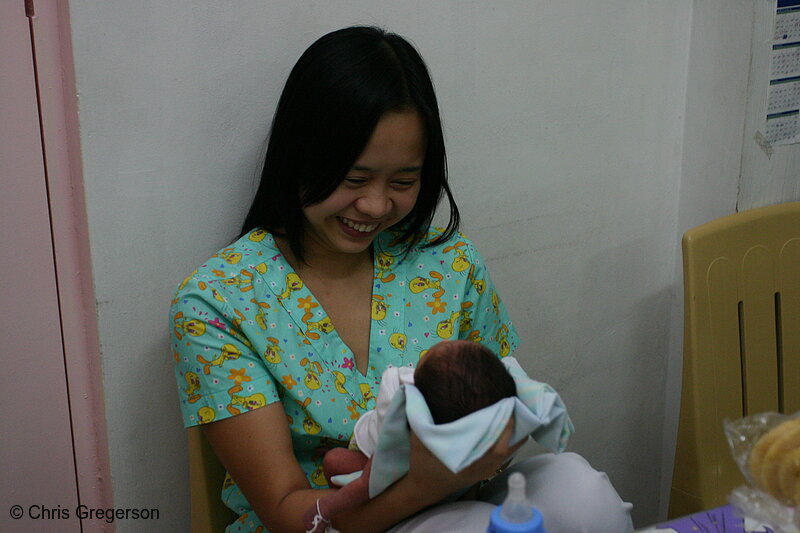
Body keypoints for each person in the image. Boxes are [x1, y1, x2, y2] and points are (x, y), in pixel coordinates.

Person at [171, 25, 634, 533]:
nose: (374, 206)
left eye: (403, 182)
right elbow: (285, 513)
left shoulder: (449, 264)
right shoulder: (220, 302)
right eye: (353, 179)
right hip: (332, 525)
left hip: (464, 497)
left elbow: (498, 399)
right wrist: (424, 485)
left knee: (581, 493)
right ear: (299, 155)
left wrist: (500, 437)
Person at [303, 340, 518, 532]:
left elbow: (368, 477)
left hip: (375, 461)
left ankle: (327, 509)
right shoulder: (468, 420)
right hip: (438, 485)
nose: (443, 344)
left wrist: (325, 509)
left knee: (336, 462)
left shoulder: (400, 394)